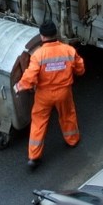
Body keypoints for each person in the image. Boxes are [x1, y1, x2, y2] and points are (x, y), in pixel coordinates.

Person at [13, 20, 85, 169]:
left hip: (44, 95)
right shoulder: (68, 50)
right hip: (64, 92)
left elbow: (30, 76)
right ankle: (72, 140)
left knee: (38, 122)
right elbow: (80, 68)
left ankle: (34, 157)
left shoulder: (39, 55)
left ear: (42, 36)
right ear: (55, 34)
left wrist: (19, 86)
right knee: (67, 116)